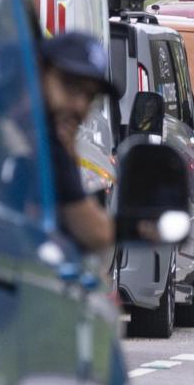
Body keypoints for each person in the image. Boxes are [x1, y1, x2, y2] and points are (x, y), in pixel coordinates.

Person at [40, 31, 119, 251]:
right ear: (40, 73)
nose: (80, 108)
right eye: (71, 87)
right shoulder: (43, 148)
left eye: (90, 97)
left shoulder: (52, 150)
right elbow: (96, 233)